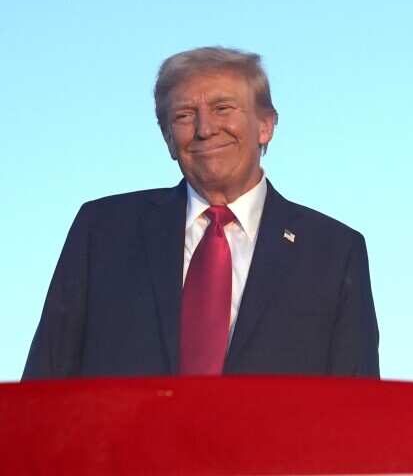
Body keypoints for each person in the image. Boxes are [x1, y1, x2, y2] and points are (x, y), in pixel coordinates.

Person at [24, 47, 379, 379]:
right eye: (184, 115)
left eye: (223, 108)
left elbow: (356, 406)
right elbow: (46, 378)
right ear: (167, 139)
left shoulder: (333, 252)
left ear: (266, 125)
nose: (205, 129)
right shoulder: (102, 232)